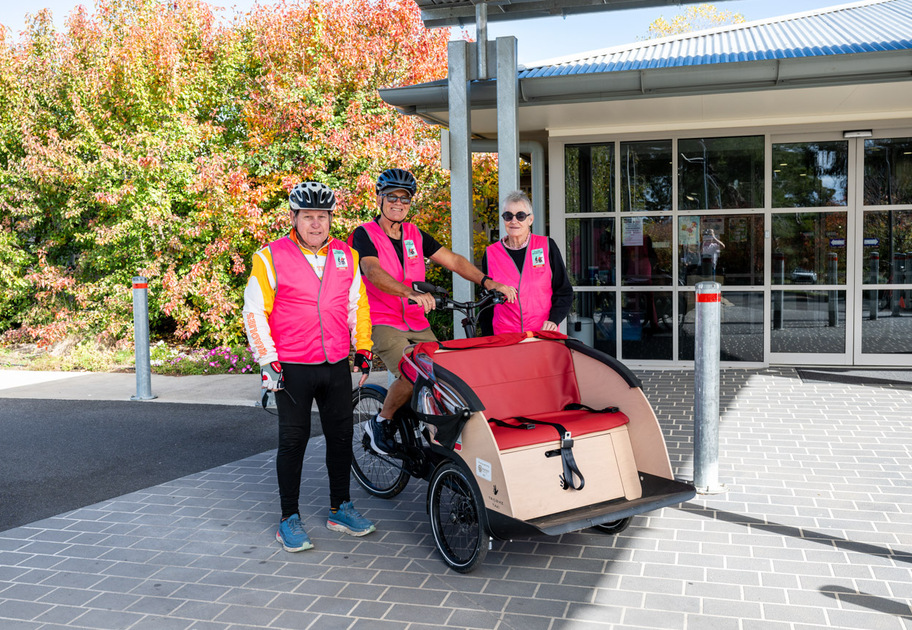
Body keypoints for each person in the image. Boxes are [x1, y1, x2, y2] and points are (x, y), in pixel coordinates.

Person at [243, 181, 376, 553]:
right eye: (307, 217)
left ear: (330, 219)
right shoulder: (270, 256)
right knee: (293, 441)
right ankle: (289, 519)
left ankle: (340, 509)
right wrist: (268, 361)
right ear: (294, 218)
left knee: (340, 437)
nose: (315, 224)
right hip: (292, 367)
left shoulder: (346, 256)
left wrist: (362, 347)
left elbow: (357, 305)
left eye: (322, 216)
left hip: (334, 364)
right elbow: (254, 311)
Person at [349, 168, 516, 455]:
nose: (398, 203)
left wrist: (488, 281)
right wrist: (409, 292)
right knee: (414, 371)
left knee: (443, 372)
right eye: (392, 196)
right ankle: (381, 422)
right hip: (382, 320)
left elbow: (452, 260)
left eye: (405, 198)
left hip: (415, 320)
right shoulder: (364, 234)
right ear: (379, 198)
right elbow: (372, 271)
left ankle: (428, 429)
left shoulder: (415, 235)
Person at [480, 190, 572, 334]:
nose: (514, 221)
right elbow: (486, 302)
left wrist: (554, 320)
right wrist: (486, 339)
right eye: (508, 216)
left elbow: (564, 291)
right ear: (503, 219)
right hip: (504, 338)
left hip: (542, 335)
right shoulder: (491, 253)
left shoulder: (547, 246)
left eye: (520, 216)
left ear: (530, 219)